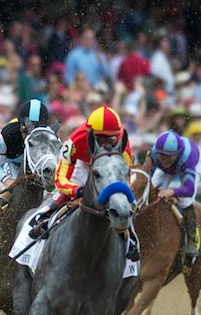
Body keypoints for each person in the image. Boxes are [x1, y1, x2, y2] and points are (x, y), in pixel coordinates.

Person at [28, 105, 134, 247]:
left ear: (118, 135)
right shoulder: (75, 141)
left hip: (109, 170)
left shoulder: (124, 144)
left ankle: (132, 242)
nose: (105, 144)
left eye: (111, 139)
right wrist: (77, 191)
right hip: (82, 166)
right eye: (99, 139)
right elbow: (60, 179)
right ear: (89, 133)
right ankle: (45, 218)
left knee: (123, 205)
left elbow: (126, 180)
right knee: (61, 197)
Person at [0, 99, 52, 244]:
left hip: (36, 168)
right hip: (11, 164)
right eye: (26, 132)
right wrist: (6, 179)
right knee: (11, 191)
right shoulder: (7, 134)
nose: (29, 138)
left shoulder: (50, 137)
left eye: (35, 133)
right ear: (20, 127)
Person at [148, 130, 201, 263]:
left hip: (186, 164)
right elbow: (146, 177)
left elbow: (189, 190)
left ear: (177, 154)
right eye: (162, 157)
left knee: (185, 201)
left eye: (169, 157)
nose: (165, 161)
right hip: (172, 165)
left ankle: (191, 242)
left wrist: (173, 192)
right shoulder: (152, 155)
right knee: (152, 190)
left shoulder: (188, 158)